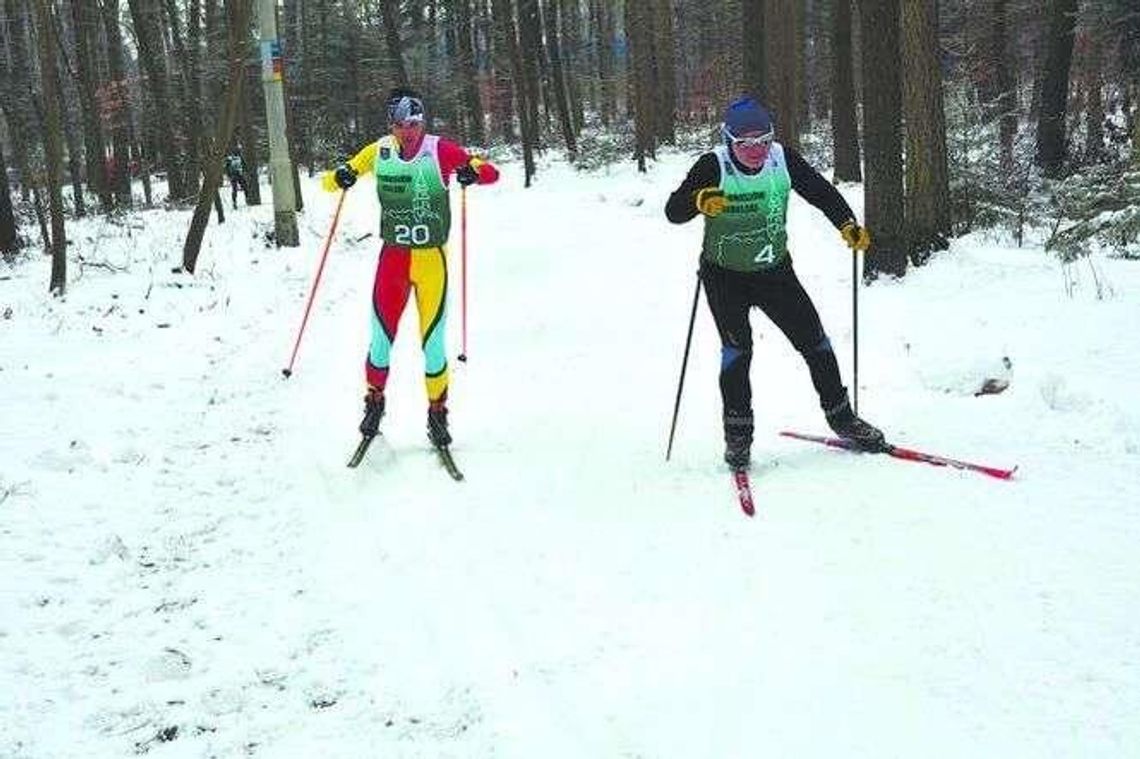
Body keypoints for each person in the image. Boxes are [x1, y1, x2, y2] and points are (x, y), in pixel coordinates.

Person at [664, 96, 884, 470]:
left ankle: (842, 418)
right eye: (745, 143)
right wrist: (699, 199)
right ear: (728, 140)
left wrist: (846, 223)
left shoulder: (783, 159)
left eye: (763, 141)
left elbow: (819, 191)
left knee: (815, 343)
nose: (755, 151)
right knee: (738, 352)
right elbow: (673, 211)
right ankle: (738, 437)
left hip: (774, 273)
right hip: (724, 276)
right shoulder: (712, 165)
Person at [322, 87, 499, 449]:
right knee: (380, 341)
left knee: (433, 345)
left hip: (431, 260)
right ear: (392, 124)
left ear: (423, 122)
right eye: (402, 124)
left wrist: (473, 173)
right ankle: (374, 402)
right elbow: (333, 179)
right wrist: (339, 177)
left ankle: (437, 413)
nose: (409, 131)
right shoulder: (379, 152)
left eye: (415, 123)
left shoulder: (440, 150)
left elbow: (489, 172)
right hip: (393, 261)